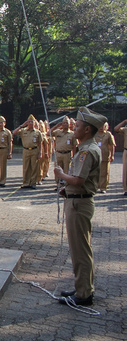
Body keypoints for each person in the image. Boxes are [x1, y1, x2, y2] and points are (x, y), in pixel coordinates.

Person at [54, 107, 106, 307]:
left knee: (81, 250)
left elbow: (78, 179)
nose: (74, 128)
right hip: (76, 199)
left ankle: (84, 294)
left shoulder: (87, 151)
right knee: (80, 249)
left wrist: (61, 176)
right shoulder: (86, 148)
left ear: (87, 130)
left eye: (77, 126)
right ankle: (82, 286)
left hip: (80, 204)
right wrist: (66, 189)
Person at [12, 114, 43, 189]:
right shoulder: (23, 131)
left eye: (32, 122)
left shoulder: (37, 132)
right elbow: (14, 132)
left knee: (34, 167)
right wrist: (22, 125)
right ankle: (26, 182)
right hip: (26, 150)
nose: (31, 123)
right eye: (29, 122)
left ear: (35, 123)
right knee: (26, 167)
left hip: (34, 150)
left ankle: (33, 183)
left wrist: (40, 153)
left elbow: (40, 143)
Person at [94, 122, 115, 193]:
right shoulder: (94, 134)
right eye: (99, 126)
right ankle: (96, 186)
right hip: (96, 156)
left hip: (105, 156)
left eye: (103, 126)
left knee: (104, 172)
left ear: (106, 127)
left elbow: (112, 145)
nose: (101, 128)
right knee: (95, 172)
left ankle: (103, 187)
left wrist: (112, 155)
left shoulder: (108, 134)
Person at [113, 118, 127, 196]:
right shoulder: (125, 129)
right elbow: (116, 129)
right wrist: (124, 121)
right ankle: (126, 189)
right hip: (126, 150)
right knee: (125, 171)